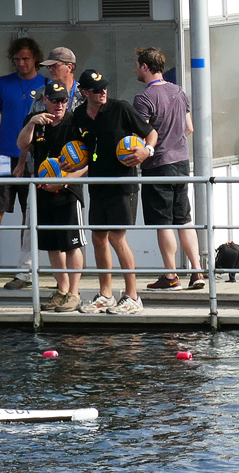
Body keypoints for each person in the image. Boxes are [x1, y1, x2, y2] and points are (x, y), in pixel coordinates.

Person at [67, 69, 156, 314]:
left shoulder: (121, 108)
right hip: (97, 184)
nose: (103, 91)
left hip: (122, 184)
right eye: (96, 89)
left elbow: (151, 133)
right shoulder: (79, 115)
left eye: (104, 86)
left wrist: (146, 151)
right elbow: (79, 150)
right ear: (85, 93)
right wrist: (68, 165)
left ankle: (132, 296)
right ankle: (106, 294)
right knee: (98, 237)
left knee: (117, 238)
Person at [132, 47, 205, 292]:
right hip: (181, 162)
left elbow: (141, 134)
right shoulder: (178, 91)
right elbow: (190, 127)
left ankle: (171, 275)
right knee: (184, 219)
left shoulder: (143, 99)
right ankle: (197, 271)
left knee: (163, 222)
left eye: (137, 65)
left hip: (158, 164)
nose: (136, 69)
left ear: (145, 66)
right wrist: (175, 141)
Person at [0, 37, 49, 286]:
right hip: (4, 155)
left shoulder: (46, 83)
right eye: (17, 59)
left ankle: (24, 270)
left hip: (33, 158)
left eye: (26, 59)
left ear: (36, 59)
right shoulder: (2, 84)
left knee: (28, 213)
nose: (21, 63)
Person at [17, 82, 84, 311]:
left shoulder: (75, 121)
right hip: (43, 190)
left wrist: (66, 180)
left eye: (63, 100)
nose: (59, 105)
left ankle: (74, 293)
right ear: (45, 100)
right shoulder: (36, 120)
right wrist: (33, 123)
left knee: (72, 244)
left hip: (68, 192)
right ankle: (62, 289)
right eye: (55, 100)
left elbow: (88, 161)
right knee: (52, 246)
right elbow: (22, 144)